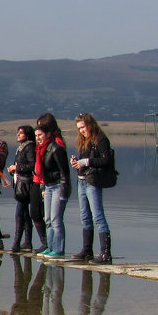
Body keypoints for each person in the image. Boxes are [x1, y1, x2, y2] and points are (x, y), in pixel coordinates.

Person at [71, 113, 115, 264]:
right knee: (85, 216)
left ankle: (105, 255)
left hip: (93, 182)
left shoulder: (101, 139)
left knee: (98, 216)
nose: (81, 131)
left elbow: (105, 160)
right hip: (82, 181)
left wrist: (86, 162)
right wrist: (77, 163)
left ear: (90, 124)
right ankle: (87, 250)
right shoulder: (83, 141)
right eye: (79, 128)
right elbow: (85, 161)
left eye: (83, 127)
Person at [36, 114, 71, 259]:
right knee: (48, 219)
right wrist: (43, 188)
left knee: (56, 219)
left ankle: (58, 249)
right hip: (48, 186)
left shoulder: (56, 148)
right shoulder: (40, 150)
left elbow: (65, 172)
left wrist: (64, 191)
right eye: (36, 135)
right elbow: (42, 172)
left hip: (58, 186)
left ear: (48, 134)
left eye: (40, 135)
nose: (37, 138)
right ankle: (50, 247)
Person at [7, 125, 36, 251]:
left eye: (21, 133)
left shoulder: (29, 147)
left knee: (19, 214)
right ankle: (27, 243)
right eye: (17, 133)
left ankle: (16, 243)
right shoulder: (21, 148)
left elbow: (31, 165)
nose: (18, 135)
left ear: (28, 135)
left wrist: (16, 168)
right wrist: (12, 170)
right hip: (20, 182)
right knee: (24, 214)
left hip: (26, 184)